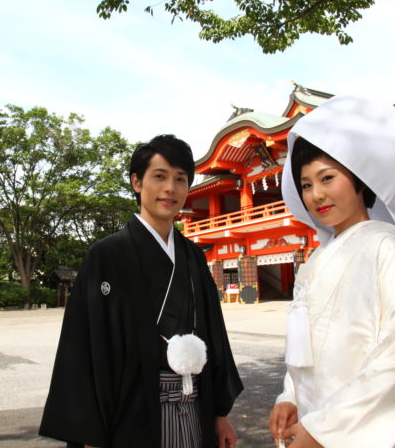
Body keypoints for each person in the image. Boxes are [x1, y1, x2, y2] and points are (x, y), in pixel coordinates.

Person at [268, 96, 395, 447]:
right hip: (316, 420)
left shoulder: (383, 247)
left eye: (327, 177)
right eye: (306, 184)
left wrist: (327, 429)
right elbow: (308, 347)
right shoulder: (316, 261)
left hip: (371, 430)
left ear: (360, 179)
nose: (316, 195)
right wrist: (290, 396)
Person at [39, 134, 243, 448]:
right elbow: (85, 349)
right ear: (137, 182)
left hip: (195, 406)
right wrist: (91, 435)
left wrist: (220, 413)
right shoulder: (106, 255)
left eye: (180, 179)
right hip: (129, 414)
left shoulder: (193, 256)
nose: (170, 189)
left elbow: (214, 335)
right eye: (159, 177)